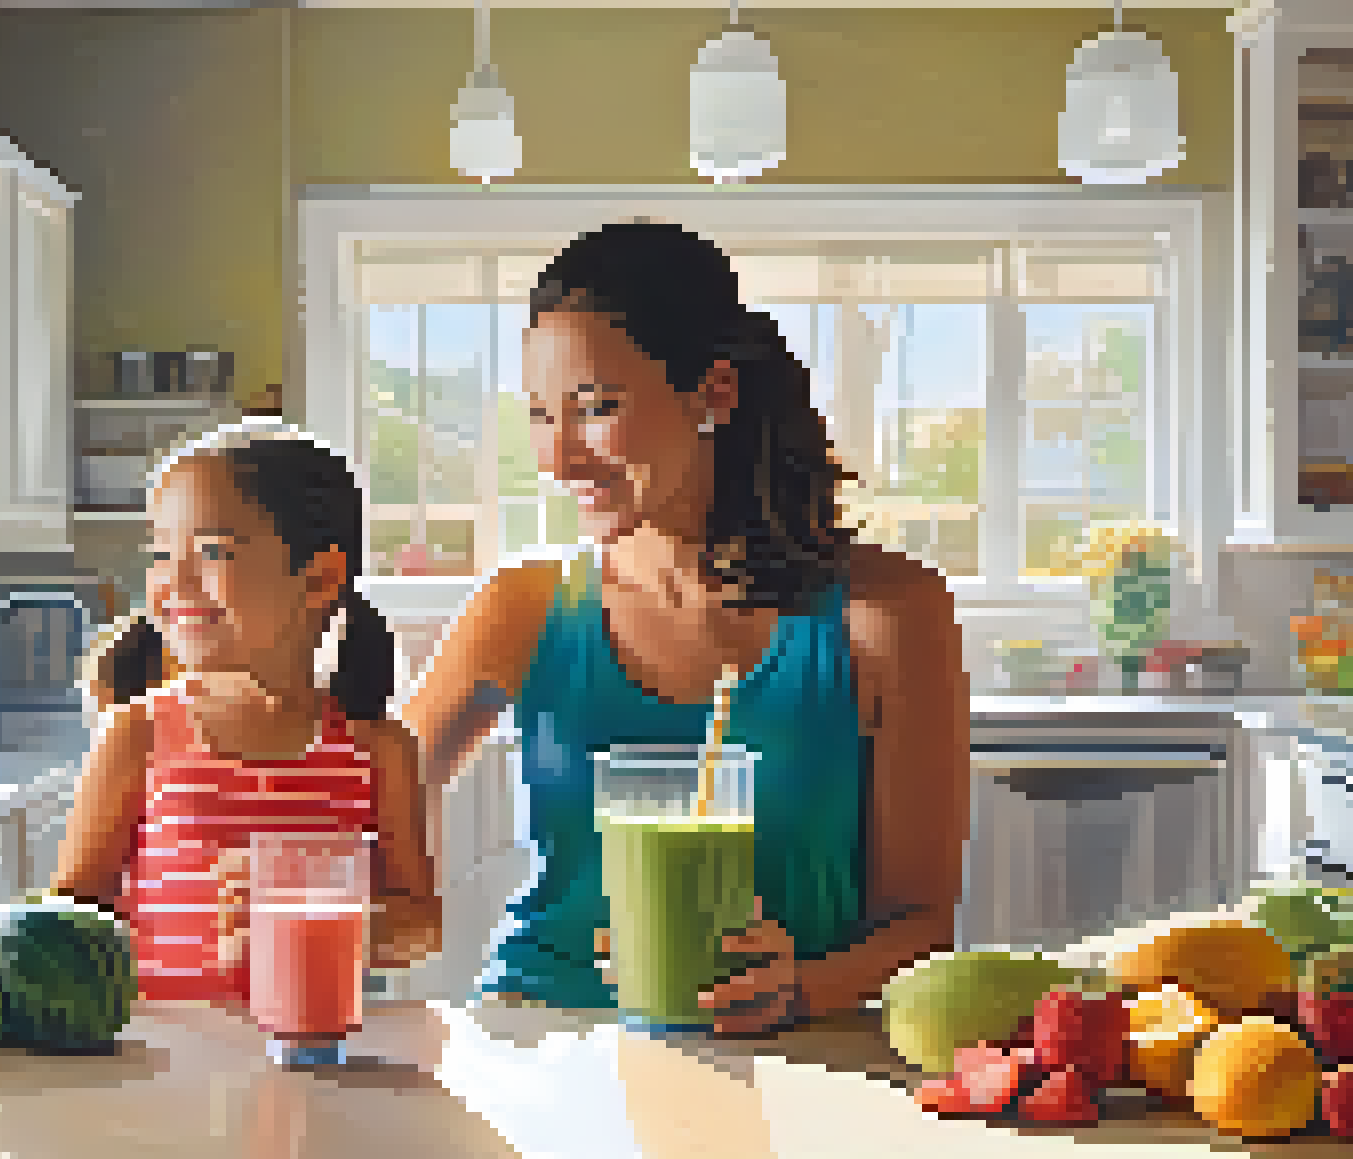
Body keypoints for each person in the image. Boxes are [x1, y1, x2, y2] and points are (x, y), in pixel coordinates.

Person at [396, 220, 972, 1033]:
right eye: (537, 415)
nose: (557, 459)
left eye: (595, 409)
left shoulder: (888, 615)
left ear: (714, 393)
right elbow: (372, 806)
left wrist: (804, 985)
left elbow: (921, 923)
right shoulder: (522, 608)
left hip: (789, 1057)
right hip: (546, 1039)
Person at [51, 422, 444, 1050]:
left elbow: (423, 923)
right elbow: (67, 926)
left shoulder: (375, 747)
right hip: (161, 1070)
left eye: (210, 551)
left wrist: (339, 923)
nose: (171, 583)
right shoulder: (139, 734)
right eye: (159, 553)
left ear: (318, 579)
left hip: (318, 1059)